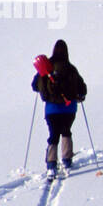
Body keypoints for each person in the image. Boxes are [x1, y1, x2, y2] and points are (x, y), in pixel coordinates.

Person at [31, 39, 87, 175]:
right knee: (66, 131)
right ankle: (67, 160)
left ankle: (51, 163)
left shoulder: (45, 68)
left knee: (53, 134)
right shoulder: (70, 68)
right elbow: (82, 88)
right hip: (69, 108)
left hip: (51, 109)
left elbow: (34, 86)